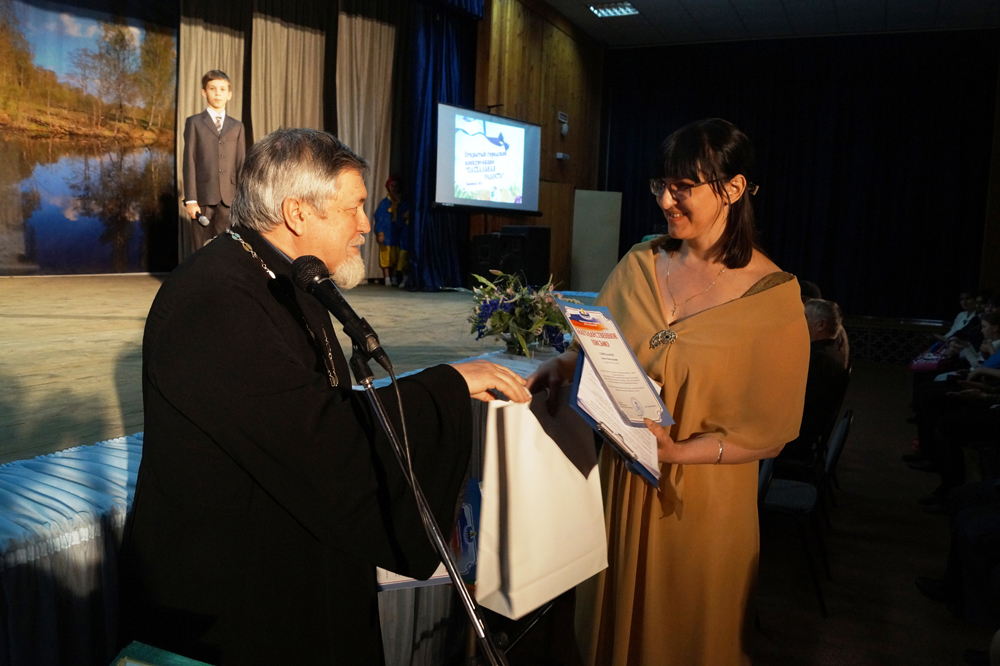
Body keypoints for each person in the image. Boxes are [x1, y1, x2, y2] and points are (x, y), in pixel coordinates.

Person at [118, 128, 530, 664]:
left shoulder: (278, 276)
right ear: (297, 213)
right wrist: (447, 386)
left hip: (276, 570)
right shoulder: (216, 298)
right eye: (354, 207)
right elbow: (317, 437)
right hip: (225, 604)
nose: (366, 224)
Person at [529, 118, 809, 666]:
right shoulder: (640, 262)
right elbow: (602, 346)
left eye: (683, 187)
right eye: (661, 185)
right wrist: (565, 363)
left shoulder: (772, 298)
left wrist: (678, 451)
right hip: (622, 484)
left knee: (683, 637)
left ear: (733, 189)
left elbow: (770, 436)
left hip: (701, 503)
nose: (664, 201)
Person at [779, 299, 851, 463]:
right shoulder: (828, 353)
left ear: (821, 325)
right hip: (800, 435)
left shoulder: (819, 362)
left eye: (804, 317)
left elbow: (788, 404)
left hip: (791, 443)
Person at [182, 70, 246, 254]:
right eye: (212, 89)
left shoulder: (237, 126)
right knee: (200, 249)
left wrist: (242, 198)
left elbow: (241, 163)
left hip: (229, 198)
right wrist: (191, 199)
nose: (218, 93)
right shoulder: (194, 123)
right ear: (204, 92)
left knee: (225, 249)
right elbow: (189, 161)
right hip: (202, 197)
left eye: (222, 89)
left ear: (229, 94)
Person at [373, 177, 407, 286]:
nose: (394, 188)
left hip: (397, 234)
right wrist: (380, 233)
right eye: (392, 186)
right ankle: (387, 279)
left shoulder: (402, 202)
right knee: (385, 258)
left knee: (396, 258)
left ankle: (394, 278)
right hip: (387, 234)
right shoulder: (384, 203)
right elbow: (379, 217)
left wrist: (399, 202)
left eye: (396, 186)